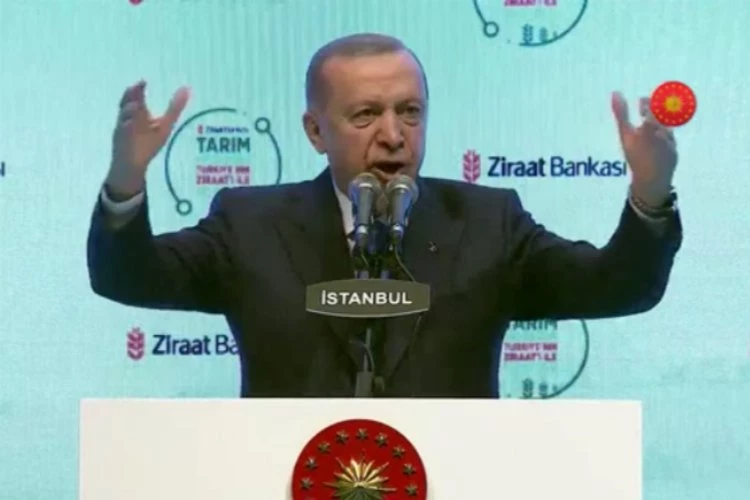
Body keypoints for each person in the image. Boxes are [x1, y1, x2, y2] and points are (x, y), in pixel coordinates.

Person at [87, 33, 682, 398]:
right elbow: (129, 277)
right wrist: (126, 178)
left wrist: (650, 192)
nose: (394, 135)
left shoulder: (488, 221)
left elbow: (617, 287)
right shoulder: (250, 223)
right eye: (366, 114)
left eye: (411, 112)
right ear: (315, 131)